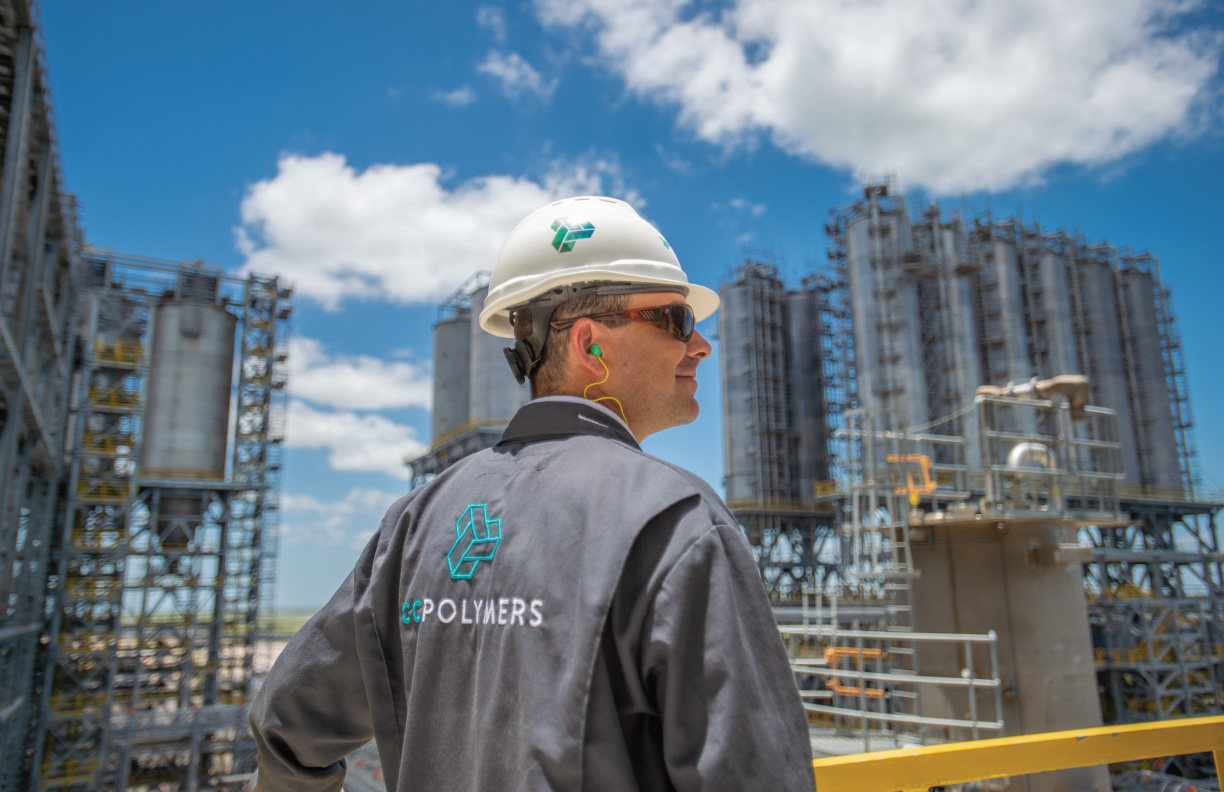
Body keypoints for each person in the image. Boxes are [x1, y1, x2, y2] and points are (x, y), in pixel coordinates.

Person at [248, 196, 815, 791]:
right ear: (591, 345)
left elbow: (288, 727)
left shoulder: (415, 524)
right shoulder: (676, 523)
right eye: (677, 321)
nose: (700, 346)